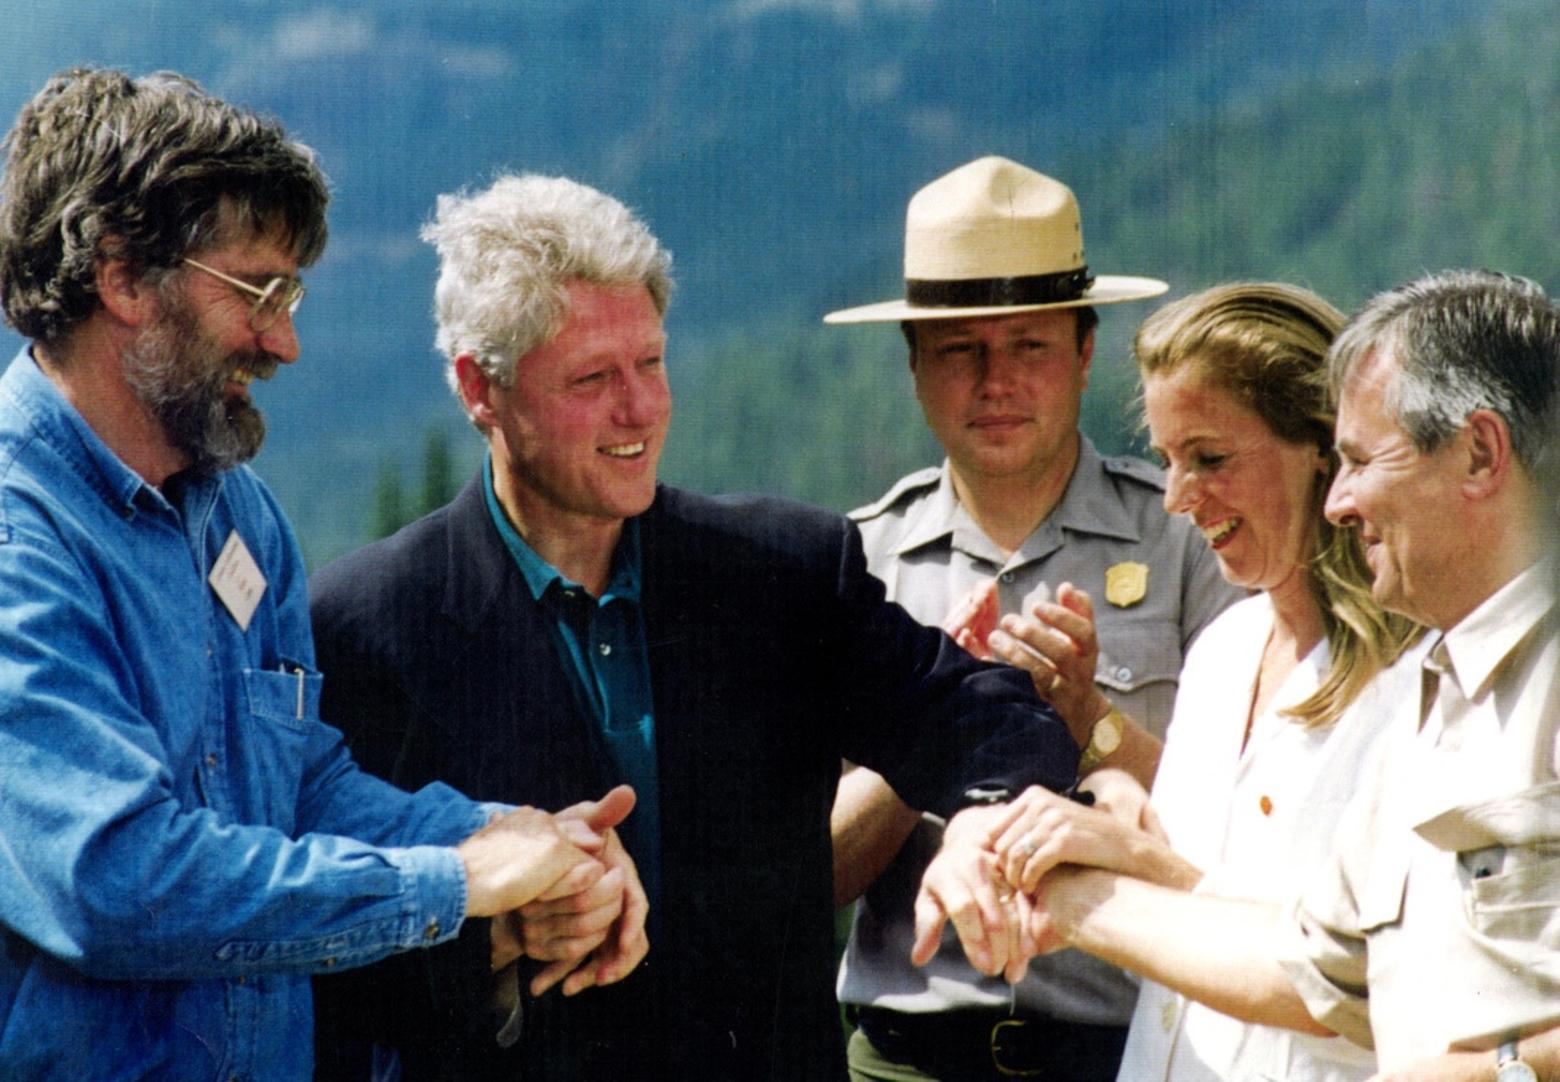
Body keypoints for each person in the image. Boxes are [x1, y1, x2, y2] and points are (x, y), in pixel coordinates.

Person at [307, 172, 1081, 1081]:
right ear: (482, 390)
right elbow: (315, 961)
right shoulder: (363, 626)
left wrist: (991, 828)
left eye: (652, 362)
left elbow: (992, 716)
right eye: (593, 379)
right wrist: (499, 941)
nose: (641, 409)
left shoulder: (784, 572)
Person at [0, 69, 644, 1080]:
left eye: (289, 294)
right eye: (257, 291)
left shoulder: (236, 511)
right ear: (123, 278)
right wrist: (454, 879)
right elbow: (113, 878)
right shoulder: (19, 541)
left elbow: (297, 783)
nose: (286, 340)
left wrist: (510, 834)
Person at [989, 270, 1560, 1080]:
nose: (1177, 498)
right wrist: (1080, 838)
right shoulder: (1238, 652)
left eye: (1210, 457)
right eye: (1167, 460)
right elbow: (1322, 961)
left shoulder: (1433, 673)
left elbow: (1327, 987)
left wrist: (1506, 1072)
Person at [822, 155, 1240, 1081]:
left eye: (1029, 347)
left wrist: (1091, 720)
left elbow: (1243, 843)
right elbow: (812, 876)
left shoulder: (1190, 543)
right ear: (916, 367)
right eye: (961, 349)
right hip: (906, 1060)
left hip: (1134, 1052)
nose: (996, 381)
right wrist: (931, 724)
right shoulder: (857, 561)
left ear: (1086, 353)